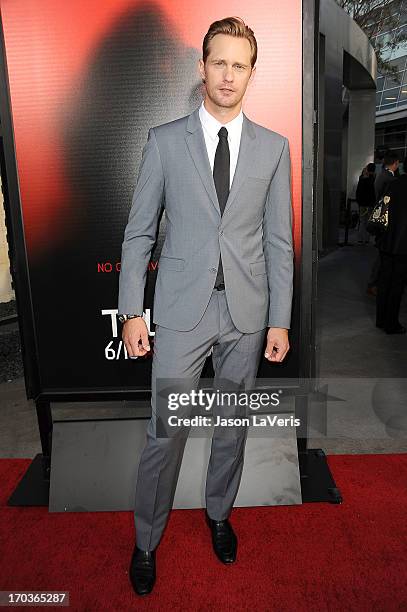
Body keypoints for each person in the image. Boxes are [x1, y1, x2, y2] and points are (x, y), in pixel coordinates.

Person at [118, 17, 293, 596]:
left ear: (251, 73)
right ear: (201, 68)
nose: (228, 75)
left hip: (246, 315)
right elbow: (139, 234)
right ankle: (146, 541)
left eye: (239, 65)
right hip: (179, 313)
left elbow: (276, 242)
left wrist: (279, 319)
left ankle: (219, 514)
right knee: (164, 433)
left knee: (231, 428)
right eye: (219, 62)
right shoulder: (166, 141)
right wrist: (132, 311)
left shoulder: (274, 148)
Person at [376, 155, 407, 334]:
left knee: (385, 280)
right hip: (403, 246)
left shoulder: (393, 184)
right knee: (397, 284)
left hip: (386, 241)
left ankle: (381, 319)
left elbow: (381, 208)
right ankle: (391, 323)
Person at [367, 152, 399, 296]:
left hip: (380, 218)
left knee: (382, 253)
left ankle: (375, 283)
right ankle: (374, 283)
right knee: (382, 255)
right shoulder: (390, 179)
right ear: (396, 163)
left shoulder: (381, 175)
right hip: (386, 220)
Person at [356, 163, 376, 244]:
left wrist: (359, 201)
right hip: (370, 204)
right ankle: (367, 239)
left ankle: (360, 238)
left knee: (362, 221)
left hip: (362, 203)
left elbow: (358, 192)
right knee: (368, 221)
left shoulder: (362, 178)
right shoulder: (374, 179)